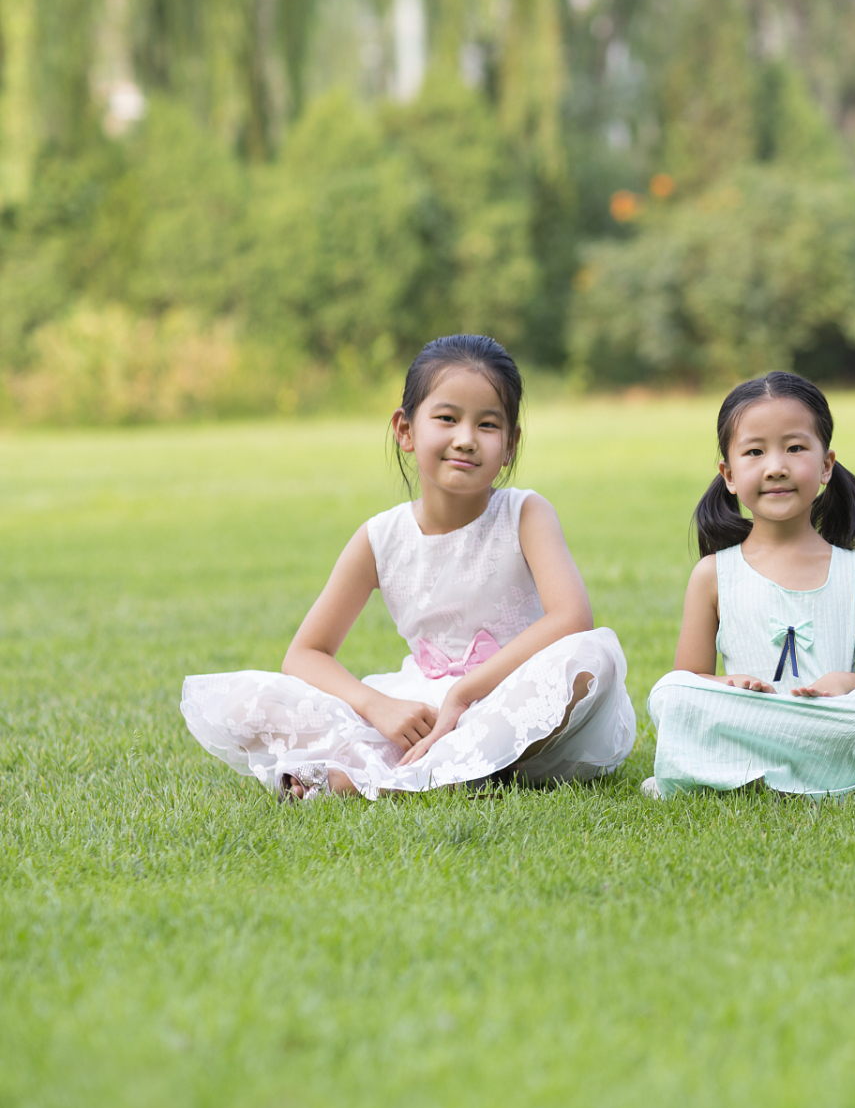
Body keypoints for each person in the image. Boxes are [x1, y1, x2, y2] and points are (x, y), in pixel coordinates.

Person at [180, 335, 637, 799]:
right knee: (248, 703)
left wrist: (463, 697)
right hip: (421, 706)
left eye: (488, 425)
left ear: (511, 445)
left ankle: (383, 778)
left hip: (507, 694)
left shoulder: (526, 514)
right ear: (405, 430)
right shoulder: (381, 538)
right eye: (446, 418)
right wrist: (377, 706)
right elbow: (304, 654)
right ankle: (436, 769)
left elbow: (572, 618)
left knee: (587, 663)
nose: (465, 439)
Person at [644, 371, 855, 798]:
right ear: (729, 474)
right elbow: (692, 679)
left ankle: (732, 779)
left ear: (826, 465)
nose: (776, 467)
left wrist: (845, 683)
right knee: (667, 693)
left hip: (830, 719)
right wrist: (732, 684)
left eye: (795, 448)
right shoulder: (713, 573)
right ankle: (850, 785)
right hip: (753, 716)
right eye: (754, 452)